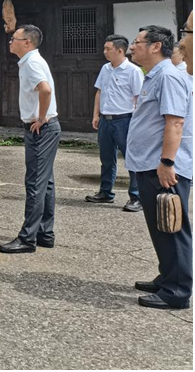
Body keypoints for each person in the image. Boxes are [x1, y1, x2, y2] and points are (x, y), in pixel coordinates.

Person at [126, 25, 192, 310]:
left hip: (163, 167)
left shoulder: (167, 76)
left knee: (172, 227)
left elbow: (175, 122)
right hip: (150, 164)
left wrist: (167, 162)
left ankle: (177, 290)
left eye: (137, 42)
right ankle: (168, 276)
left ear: (155, 46)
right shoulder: (154, 76)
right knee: (161, 225)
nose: (132, 47)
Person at [0, 24, 61, 254]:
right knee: (46, 182)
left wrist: (41, 118)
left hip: (41, 129)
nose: (10, 42)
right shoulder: (30, 61)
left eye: (14, 39)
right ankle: (45, 233)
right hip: (45, 128)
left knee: (35, 182)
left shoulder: (32, 62)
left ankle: (27, 238)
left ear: (27, 42)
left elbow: (45, 90)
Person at [86, 34, 144, 212]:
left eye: (108, 49)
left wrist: (137, 122)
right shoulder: (105, 68)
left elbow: (139, 98)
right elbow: (99, 92)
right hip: (106, 119)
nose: (104, 52)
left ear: (120, 51)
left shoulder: (133, 71)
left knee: (131, 159)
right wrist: (96, 115)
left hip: (125, 120)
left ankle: (137, 197)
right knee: (106, 158)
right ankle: (105, 192)